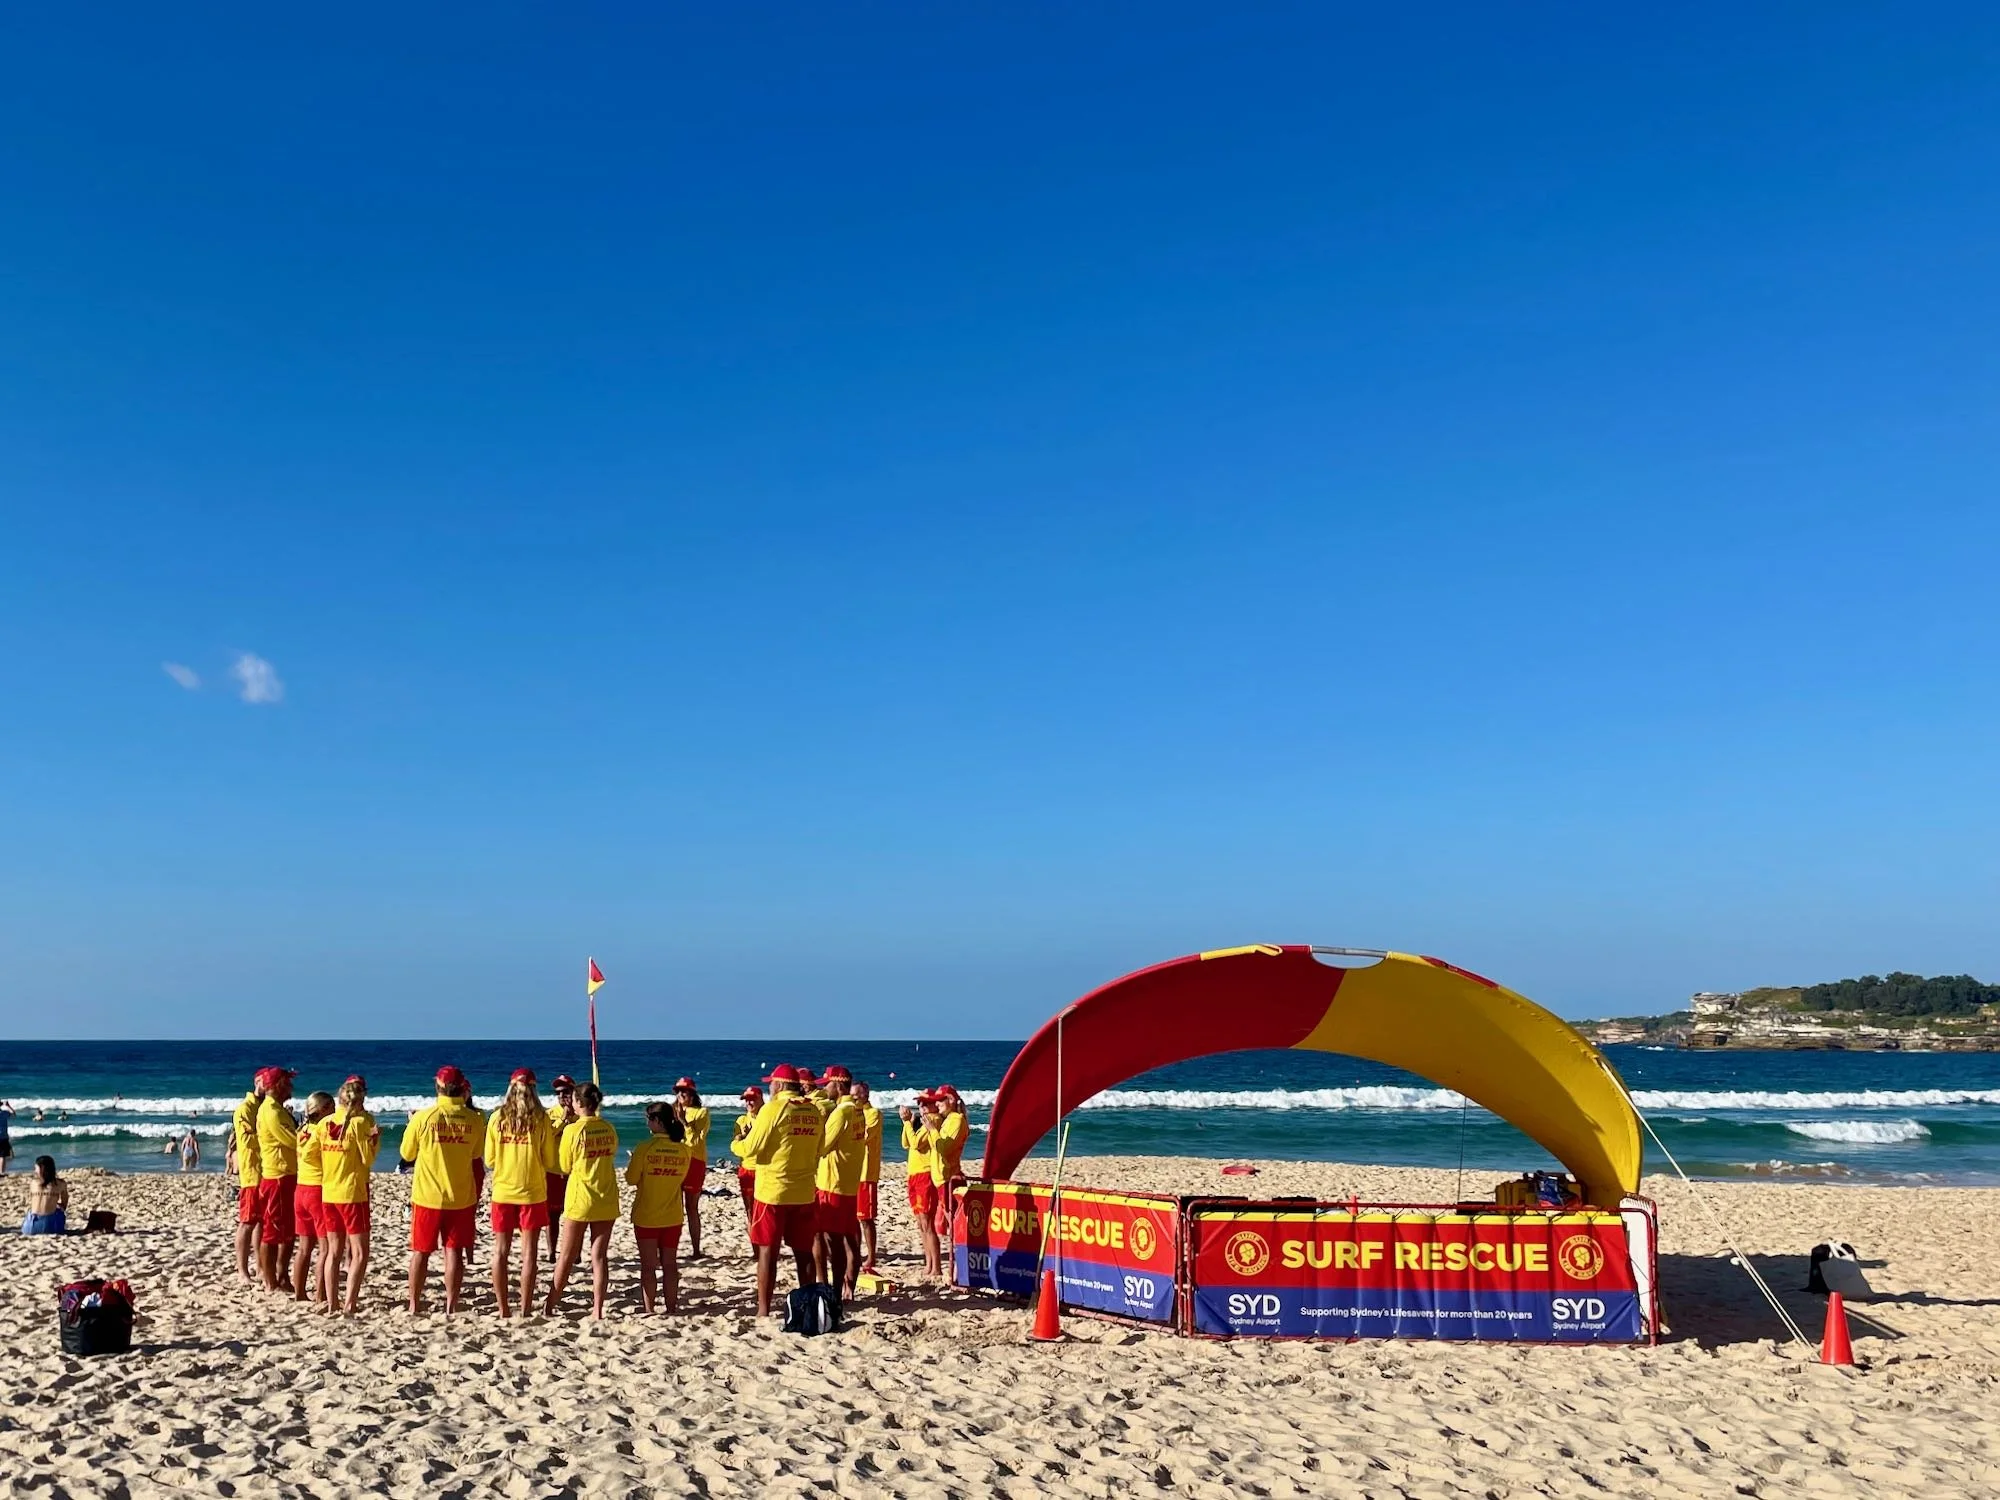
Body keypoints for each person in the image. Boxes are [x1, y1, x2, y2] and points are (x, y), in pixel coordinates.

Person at [401, 1065, 486, 1315]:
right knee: (454, 1253)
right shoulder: (475, 1120)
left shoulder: (423, 1117)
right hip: (460, 1195)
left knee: (421, 1252)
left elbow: (407, 1154)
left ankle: (414, 1304)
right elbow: (476, 1154)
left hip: (428, 1196)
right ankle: (451, 1304)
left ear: (438, 1087)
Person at [742, 1065, 825, 1318]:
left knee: (768, 1250)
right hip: (803, 1190)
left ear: (778, 1085)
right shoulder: (813, 1110)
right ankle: (809, 1306)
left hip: (773, 1191)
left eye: (771, 1083)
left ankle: (763, 1309)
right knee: (803, 1252)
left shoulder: (773, 1109)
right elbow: (819, 1149)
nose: (769, 1087)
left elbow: (751, 1148)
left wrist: (737, 1143)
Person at [486, 1068, 560, 1320]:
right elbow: (550, 1159)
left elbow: (490, 1158)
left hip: (504, 1191)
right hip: (532, 1192)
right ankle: (525, 1308)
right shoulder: (541, 1118)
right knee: (529, 1253)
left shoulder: (497, 1118)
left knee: (500, 1251)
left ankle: (503, 1308)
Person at [546, 1083, 619, 1320]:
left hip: (581, 1197)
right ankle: (597, 1309)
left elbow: (565, 1166)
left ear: (579, 1103)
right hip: (606, 1196)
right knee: (599, 1256)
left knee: (566, 1255)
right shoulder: (608, 1127)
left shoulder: (573, 1130)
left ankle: (550, 1304)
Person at [318, 1075, 380, 1316]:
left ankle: (332, 1302)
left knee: (334, 1251)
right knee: (360, 1252)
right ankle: (349, 1303)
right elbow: (368, 1158)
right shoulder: (361, 1123)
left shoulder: (324, 1124)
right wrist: (374, 1138)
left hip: (329, 1191)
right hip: (353, 1193)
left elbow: (314, 1155)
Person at [626, 1102, 689, 1314]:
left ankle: (650, 1308)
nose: (647, 1123)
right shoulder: (684, 1150)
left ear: (657, 1122)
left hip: (647, 1214)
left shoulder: (644, 1148)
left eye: (649, 1119)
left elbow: (631, 1179)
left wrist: (635, 1161)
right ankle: (671, 1307)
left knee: (648, 1266)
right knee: (670, 1264)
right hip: (672, 1214)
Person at [814, 1065, 867, 1299]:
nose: (825, 1088)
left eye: (828, 1083)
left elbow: (822, 1146)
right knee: (845, 1239)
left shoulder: (841, 1113)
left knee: (833, 1241)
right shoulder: (857, 1110)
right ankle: (843, 1288)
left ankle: (834, 1291)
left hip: (832, 1183)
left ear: (838, 1085)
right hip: (847, 1183)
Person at [257, 1068, 301, 1293]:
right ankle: (270, 1280)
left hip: (287, 1175)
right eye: (287, 1082)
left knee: (288, 1230)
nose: (291, 1087)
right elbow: (294, 1141)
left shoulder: (278, 1110)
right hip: (277, 1177)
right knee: (273, 1232)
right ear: (277, 1086)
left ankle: (282, 1276)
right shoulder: (271, 1111)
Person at [290, 1091, 335, 1307]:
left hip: (301, 1189)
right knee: (326, 1247)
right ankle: (320, 1294)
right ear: (324, 1109)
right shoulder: (321, 1131)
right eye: (332, 1106)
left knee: (304, 1247)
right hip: (318, 1190)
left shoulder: (302, 1130)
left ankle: (299, 1292)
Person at [899, 1091, 940, 1276]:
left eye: (926, 1104)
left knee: (927, 1222)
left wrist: (908, 1122)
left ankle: (936, 1266)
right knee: (920, 1223)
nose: (922, 1107)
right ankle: (929, 1263)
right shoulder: (923, 1120)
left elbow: (915, 1143)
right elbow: (905, 1143)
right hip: (914, 1174)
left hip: (925, 1173)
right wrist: (907, 1123)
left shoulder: (934, 1119)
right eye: (920, 1104)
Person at [232, 1073, 267, 1284]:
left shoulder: (267, 1107)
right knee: (247, 1222)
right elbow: (247, 1140)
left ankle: (260, 1267)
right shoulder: (245, 1109)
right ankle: (242, 1270)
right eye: (265, 1082)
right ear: (256, 1083)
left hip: (268, 1172)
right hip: (252, 1174)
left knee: (262, 1223)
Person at [672, 1078, 711, 1261]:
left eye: (685, 1092)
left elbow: (696, 1141)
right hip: (676, 1160)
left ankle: (696, 1249)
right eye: (678, 1091)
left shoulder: (702, 1113)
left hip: (694, 1161)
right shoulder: (672, 1110)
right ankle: (672, 1247)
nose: (681, 1095)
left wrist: (683, 1122)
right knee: (674, 1207)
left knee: (691, 1207)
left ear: (692, 1094)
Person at [543, 1075, 580, 1261]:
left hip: (575, 1172)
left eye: (565, 1092)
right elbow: (546, 1137)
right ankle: (551, 1251)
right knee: (552, 1214)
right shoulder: (549, 1115)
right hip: (553, 1170)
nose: (561, 1096)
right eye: (558, 1092)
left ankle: (576, 1251)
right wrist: (563, 1121)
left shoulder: (581, 1115)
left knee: (576, 1215)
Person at [928, 1086, 970, 1248]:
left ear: (950, 1101)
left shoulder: (957, 1120)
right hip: (942, 1177)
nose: (937, 1104)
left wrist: (932, 1130)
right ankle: (957, 1257)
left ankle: (959, 1258)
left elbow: (944, 1148)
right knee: (947, 1223)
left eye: (940, 1100)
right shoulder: (949, 1120)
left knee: (954, 1223)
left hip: (948, 1177)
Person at [852, 1081, 884, 1275]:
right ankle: (856, 1253)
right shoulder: (854, 1113)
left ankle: (872, 1255)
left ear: (865, 1095)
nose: (853, 1099)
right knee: (853, 1217)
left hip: (866, 1172)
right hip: (852, 1171)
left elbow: (862, 1136)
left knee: (866, 1218)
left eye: (856, 1096)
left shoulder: (873, 1114)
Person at [727, 1086, 763, 1239]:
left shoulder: (766, 1118)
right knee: (750, 1211)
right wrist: (743, 1138)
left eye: (752, 1099)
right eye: (746, 1100)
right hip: (746, 1168)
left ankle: (764, 1245)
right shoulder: (741, 1120)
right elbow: (737, 1143)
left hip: (763, 1169)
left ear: (761, 1099)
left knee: (763, 1210)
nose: (749, 1102)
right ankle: (755, 1247)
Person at [22, 1155, 67, 1234]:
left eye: (36, 1168)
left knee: (30, 1211)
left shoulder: (33, 1183)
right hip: (51, 1228)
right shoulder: (61, 1184)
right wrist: (55, 1203)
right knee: (60, 1212)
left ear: (42, 1168)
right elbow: (64, 1205)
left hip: (30, 1228)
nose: (35, 1171)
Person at [0, 1099, 14, 1174]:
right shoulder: (4, 1113)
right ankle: (1, 1172)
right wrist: (8, 1106)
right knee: (2, 1156)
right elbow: (13, 1113)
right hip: (3, 1136)